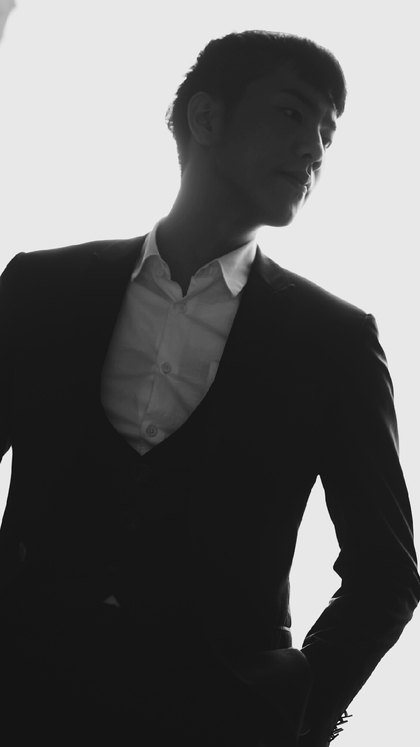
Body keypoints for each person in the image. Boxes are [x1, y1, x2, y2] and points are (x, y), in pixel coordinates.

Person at [0, 29, 418, 747]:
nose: (314, 149)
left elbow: (386, 573)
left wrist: (294, 711)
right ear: (205, 117)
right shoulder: (42, 286)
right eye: (293, 113)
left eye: (327, 134)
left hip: (217, 723)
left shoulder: (336, 340)